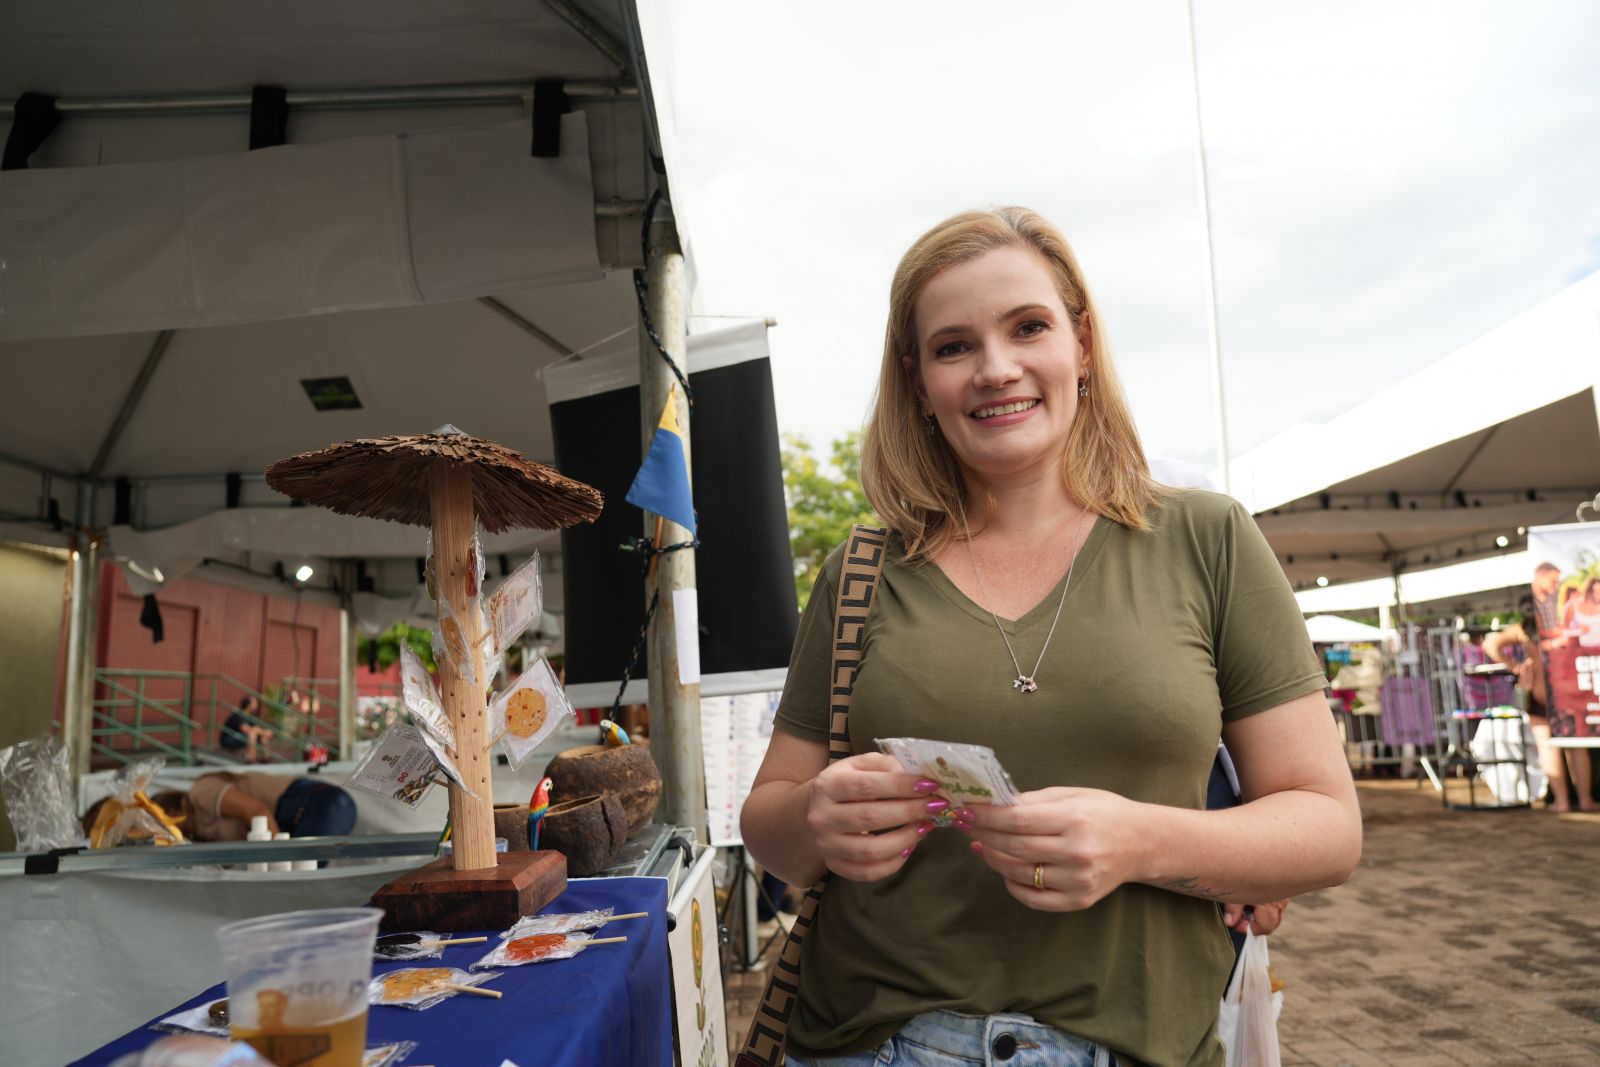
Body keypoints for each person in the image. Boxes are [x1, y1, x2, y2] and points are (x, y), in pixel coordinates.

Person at [741, 208, 1360, 1067]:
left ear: (1082, 343)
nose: (997, 369)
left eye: (1027, 327)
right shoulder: (861, 569)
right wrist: (816, 820)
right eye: (954, 346)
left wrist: (1144, 839)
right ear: (918, 381)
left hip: (1142, 1045)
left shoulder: (1208, 537)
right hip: (872, 1042)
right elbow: (769, 823)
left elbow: (1328, 826)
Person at [152, 771, 358, 841]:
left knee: (302, 883)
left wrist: (281, 863)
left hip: (310, 804)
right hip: (292, 826)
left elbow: (255, 811)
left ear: (169, 811)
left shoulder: (199, 792)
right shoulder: (201, 832)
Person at [219, 695, 274, 764]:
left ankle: (266, 758)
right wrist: (264, 732)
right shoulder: (239, 714)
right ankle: (252, 760)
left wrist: (264, 733)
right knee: (252, 733)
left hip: (240, 737)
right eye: (254, 703)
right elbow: (245, 729)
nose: (256, 704)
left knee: (261, 735)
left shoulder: (251, 715)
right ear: (248, 705)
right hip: (229, 739)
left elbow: (257, 728)